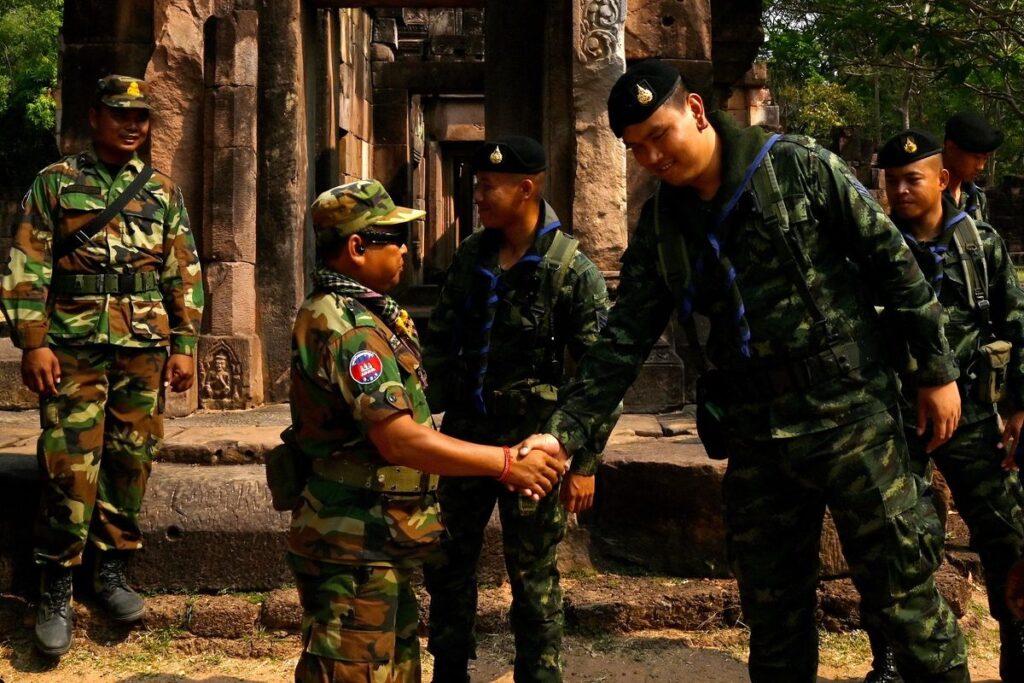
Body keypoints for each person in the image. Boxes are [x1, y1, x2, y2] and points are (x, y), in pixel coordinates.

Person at [522, 59, 970, 682]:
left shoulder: (796, 167)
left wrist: (936, 373)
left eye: (660, 135)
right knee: (774, 620)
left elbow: (892, 261)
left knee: (906, 603)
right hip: (758, 438)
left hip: (851, 417)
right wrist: (565, 432)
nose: (651, 157)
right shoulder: (664, 224)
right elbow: (622, 339)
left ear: (696, 111)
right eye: (636, 147)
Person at [283, 179, 566, 683]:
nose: (405, 250)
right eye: (394, 239)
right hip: (354, 539)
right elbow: (398, 438)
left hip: (376, 536)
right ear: (356, 247)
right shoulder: (348, 328)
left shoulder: (360, 314)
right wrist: (504, 463)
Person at [0, 75, 203, 657]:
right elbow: (28, 262)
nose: (133, 124)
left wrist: (185, 343)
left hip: (143, 346)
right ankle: (56, 583)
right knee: (69, 461)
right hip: (72, 345)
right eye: (120, 114)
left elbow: (183, 270)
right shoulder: (56, 183)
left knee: (131, 456)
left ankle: (111, 569)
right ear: (94, 118)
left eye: (141, 116)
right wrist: (32, 341)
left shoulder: (163, 191)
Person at [422, 136, 615, 683]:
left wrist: (584, 461)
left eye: (488, 187)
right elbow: (440, 344)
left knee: (532, 578)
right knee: (447, 562)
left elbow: (600, 378)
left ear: (525, 189)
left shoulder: (572, 271)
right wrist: (417, 424)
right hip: (467, 438)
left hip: (537, 448)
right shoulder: (471, 256)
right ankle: (450, 670)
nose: (478, 196)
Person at [861, 129, 1024, 683]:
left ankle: (1017, 639)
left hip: (972, 413)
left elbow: (1014, 322)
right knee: (892, 538)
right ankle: (888, 659)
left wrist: (1020, 406)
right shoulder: (872, 249)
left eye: (912, 179)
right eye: (892, 181)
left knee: (1006, 529)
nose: (900, 191)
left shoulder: (979, 244)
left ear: (942, 180)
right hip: (896, 417)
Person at [943, 111, 1003, 223]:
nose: (981, 167)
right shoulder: (926, 193)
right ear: (951, 148)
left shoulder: (977, 197)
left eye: (985, 158)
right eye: (976, 157)